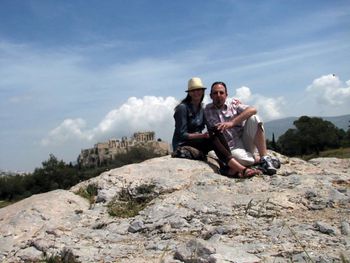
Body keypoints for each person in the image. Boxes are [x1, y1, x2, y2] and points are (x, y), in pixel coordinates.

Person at [172, 77, 261, 178]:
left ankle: (228, 167)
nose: (196, 92)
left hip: (198, 142)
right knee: (211, 136)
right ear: (189, 93)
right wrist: (203, 135)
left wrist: (217, 129)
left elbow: (211, 129)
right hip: (183, 144)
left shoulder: (201, 108)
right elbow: (182, 134)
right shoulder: (182, 108)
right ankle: (241, 169)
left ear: (203, 91)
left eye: (199, 90)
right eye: (193, 90)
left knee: (216, 131)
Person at [204, 81, 278, 175]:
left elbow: (253, 110)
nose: (218, 95)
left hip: (243, 139)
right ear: (211, 96)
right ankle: (258, 159)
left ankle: (265, 159)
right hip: (230, 147)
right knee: (237, 159)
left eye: (221, 92)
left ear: (226, 95)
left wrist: (232, 123)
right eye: (215, 93)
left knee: (254, 118)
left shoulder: (233, 104)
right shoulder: (206, 110)